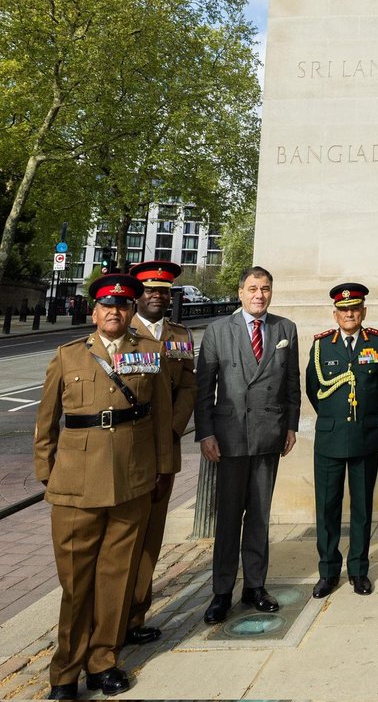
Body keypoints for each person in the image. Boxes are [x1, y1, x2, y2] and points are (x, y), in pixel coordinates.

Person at [34, 272, 174, 700]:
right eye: (106, 305)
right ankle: (65, 671)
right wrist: (48, 472)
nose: (114, 311)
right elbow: (45, 425)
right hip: (77, 485)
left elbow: (160, 416)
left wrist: (162, 469)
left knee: (116, 577)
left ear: (131, 311)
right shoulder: (69, 355)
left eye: (122, 305)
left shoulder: (149, 353)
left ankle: (103, 660)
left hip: (130, 481)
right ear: (94, 311)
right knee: (77, 583)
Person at [194, 266, 301, 624]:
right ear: (240, 292)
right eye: (253, 288)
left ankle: (254, 586)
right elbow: (204, 387)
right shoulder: (217, 331)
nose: (260, 295)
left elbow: (291, 383)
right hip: (229, 438)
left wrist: (290, 426)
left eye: (266, 288)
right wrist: (206, 433)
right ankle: (221, 591)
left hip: (267, 435)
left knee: (258, 515)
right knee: (228, 519)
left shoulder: (285, 329)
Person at [124, 260, 196, 646]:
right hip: (127, 452)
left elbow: (188, 383)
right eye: (151, 289)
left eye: (163, 291)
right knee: (123, 540)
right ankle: (110, 621)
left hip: (164, 450)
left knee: (151, 538)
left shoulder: (180, 335)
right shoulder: (122, 330)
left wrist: (173, 428)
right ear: (139, 293)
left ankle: (135, 616)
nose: (157, 295)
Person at [306, 282, 378, 598]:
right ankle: (328, 572)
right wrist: (332, 417)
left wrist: (363, 418)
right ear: (335, 314)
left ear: (364, 312)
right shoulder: (320, 346)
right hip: (329, 438)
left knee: (362, 507)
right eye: (343, 310)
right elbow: (313, 390)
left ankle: (359, 570)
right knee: (327, 508)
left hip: (364, 436)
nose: (349, 314)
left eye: (355, 309)